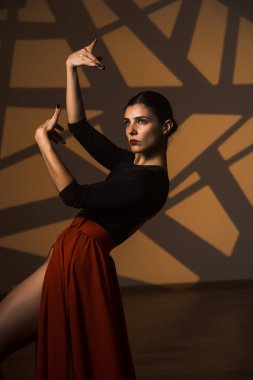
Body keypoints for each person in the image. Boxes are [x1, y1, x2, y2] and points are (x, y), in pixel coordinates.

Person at [0, 39, 177, 379]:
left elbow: (74, 195)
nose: (131, 130)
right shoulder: (131, 163)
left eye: (141, 122)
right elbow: (80, 127)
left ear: (165, 127)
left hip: (79, 262)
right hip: (71, 255)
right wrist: (71, 68)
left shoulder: (148, 182)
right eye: (127, 122)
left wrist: (42, 142)